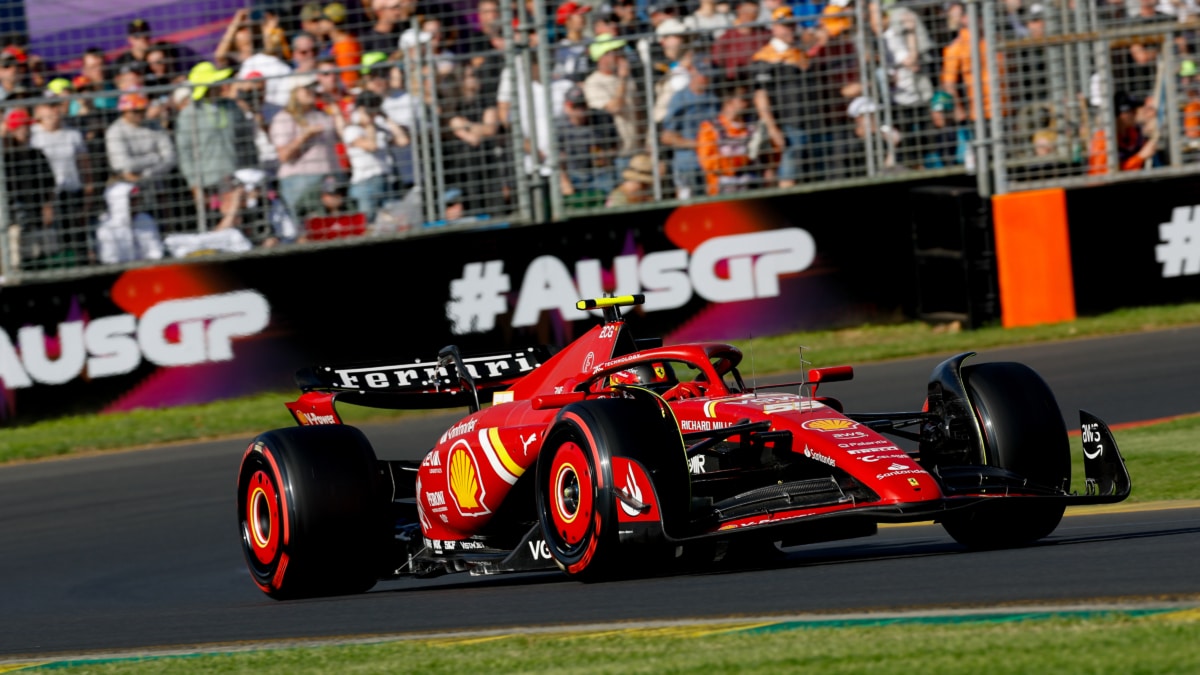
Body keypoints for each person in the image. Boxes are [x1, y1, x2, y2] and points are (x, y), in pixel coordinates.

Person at [174, 62, 258, 227]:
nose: (220, 86)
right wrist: (194, 185)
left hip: (236, 173)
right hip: (207, 178)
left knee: (241, 219)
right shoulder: (188, 115)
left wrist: (252, 168)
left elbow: (247, 140)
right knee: (224, 219)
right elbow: (185, 153)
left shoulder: (232, 107)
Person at [751, 5, 815, 187]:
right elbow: (760, 95)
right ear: (774, 28)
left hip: (807, 122)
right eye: (785, 26)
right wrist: (772, 128)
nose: (790, 29)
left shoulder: (799, 53)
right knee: (788, 175)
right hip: (787, 124)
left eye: (792, 25)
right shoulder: (765, 57)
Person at [31, 100, 94, 263]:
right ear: (38, 111)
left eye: (55, 106)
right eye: (48, 106)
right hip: (45, 196)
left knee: (77, 243)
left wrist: (88, 196)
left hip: (72, 193)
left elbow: (85, 167)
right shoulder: (32, 136)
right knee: (51, 247)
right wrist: (46, 204)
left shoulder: (73, 134)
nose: (53, 111)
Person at [270, 81, 343, 222]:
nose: (311, 91)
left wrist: (335, 108)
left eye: (313, 87)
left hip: (329, 179)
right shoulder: (284, 118)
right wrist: (305, 135)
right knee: (305, 228)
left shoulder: (322, 115)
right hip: (300, 180)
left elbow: (344, 137)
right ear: (294, 91)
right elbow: (284, 155)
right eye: (306, 88)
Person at [104, 92, 177, 228]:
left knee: (163, 221)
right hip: (127, 188)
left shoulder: (155, 126)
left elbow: (170, 157)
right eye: (135, 110)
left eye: (142, 110)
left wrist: (146, 174)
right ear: (124, 111)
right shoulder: (115, 131)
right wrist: (154, 158)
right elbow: (121, 164)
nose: (140, 114)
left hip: (155, 183)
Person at [3, 108, 60, 268]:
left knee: (43, 253)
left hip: (36, 212)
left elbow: (50, 182)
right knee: (16, 257)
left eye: (27, 127)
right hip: (14, 216)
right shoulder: (5, 157)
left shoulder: (37, 154)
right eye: (21, 127)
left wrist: (48, 205)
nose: (25, 131)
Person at [343, 90, 409, 221]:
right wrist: (367, 122)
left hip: (386, 179)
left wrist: (386, 118)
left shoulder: (379, 129)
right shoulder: (352, 130)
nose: (374, 112)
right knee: (368, 224)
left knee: (392, 223)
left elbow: (403, 140)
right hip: (365, 183)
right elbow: (371, 146)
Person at [660, 56, 720, 199]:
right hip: (688, 165)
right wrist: (699, 144)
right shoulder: (680, 99)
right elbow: (667, 137)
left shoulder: (714, 99)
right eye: (701, 73)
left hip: (712, 166)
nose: (704, 77)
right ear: (692, 71)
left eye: (708, 74)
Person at [556, 85, 620, 208]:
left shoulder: (602, 117)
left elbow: (615, 145)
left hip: (600, 173)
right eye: (575, 106)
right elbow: (558, 161)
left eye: (583, 105)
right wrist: (565, 182)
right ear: (566, 107)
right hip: (574, 175)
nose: (580, 110)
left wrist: (606, 155)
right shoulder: (559, 126)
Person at [583, 35, 641, 168]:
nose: (621, 56)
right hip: (616, 154)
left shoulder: (627, 79)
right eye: (616, 52)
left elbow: (638, 111)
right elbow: (614, 108)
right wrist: (622, 79)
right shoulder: (593, 82)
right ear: (603, 56)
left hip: (636, 150)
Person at [696, 83, 762, 195]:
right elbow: (708, 163)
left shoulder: (753, 127)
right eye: (743, 98)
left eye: (748, 98)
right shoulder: (710, 128)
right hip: (722, 192)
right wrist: (739, 161)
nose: (747, 102)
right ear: (728, 101)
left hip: (751, 191)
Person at [95, 181, 165, 264]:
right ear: (119, 202)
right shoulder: (106, 228)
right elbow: (109, 260)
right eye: (132, 199)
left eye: (137, 198)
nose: (136, 203)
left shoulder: (145, 219)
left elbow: (155, 251)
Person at [711, 0, 767, 83]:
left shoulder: (763, 35)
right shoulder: (727, 36)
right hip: (734, 82)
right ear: (739, 10)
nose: (749, 15)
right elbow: (716, 59)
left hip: (756, 81)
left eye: (754, 12)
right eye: (746, 11)